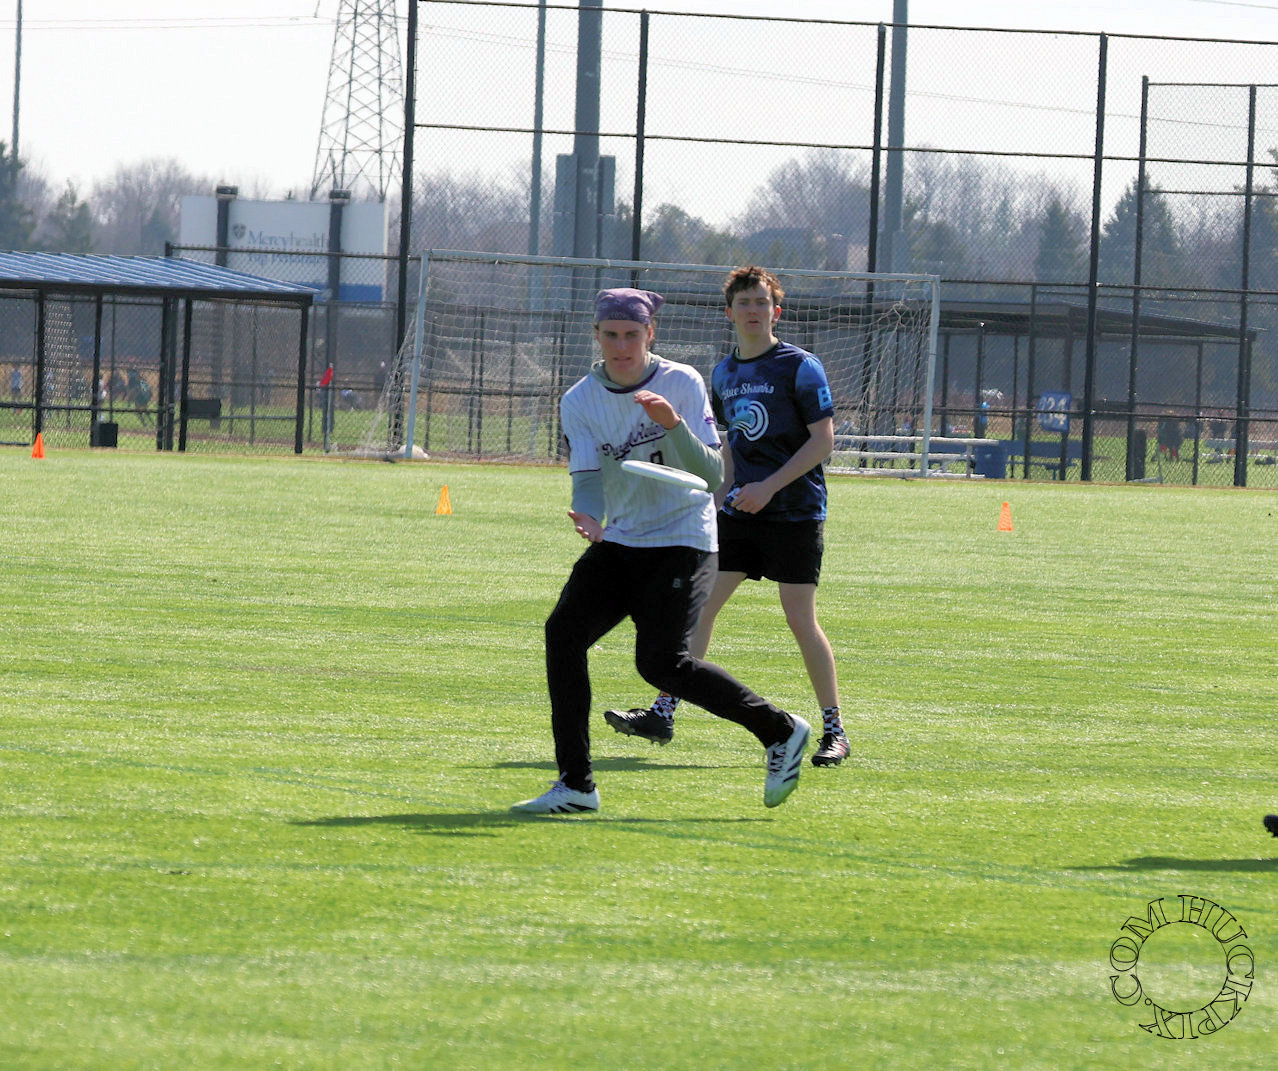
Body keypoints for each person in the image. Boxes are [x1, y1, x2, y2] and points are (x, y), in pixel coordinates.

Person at [511, 286, 810, 815]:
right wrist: (589, 515)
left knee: (661, 664)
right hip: (623, 539)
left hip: (683, 539)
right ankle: (576, 785)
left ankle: (780, 730)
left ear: (650, 334)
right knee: (563, 634)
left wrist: (672, 424)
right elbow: (587, 478)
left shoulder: (682, 382)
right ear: (596, 336)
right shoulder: (579, 400)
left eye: (632, 334)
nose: (621, 346)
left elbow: (712, 475)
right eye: (610, 335)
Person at [604, 265, 849, 768]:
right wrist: (717, 497)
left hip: (796, 512)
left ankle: (834, 730)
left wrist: (768, 487)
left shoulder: (801, 367)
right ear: (729, 313)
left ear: (776, 311)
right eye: (744, 303)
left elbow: (822, 441)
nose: (753, 310)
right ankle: (663, 713)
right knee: (698, 612)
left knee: (800, 619)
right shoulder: (723, 374)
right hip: (740, 514)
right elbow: (731, 448)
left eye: (761, 302)